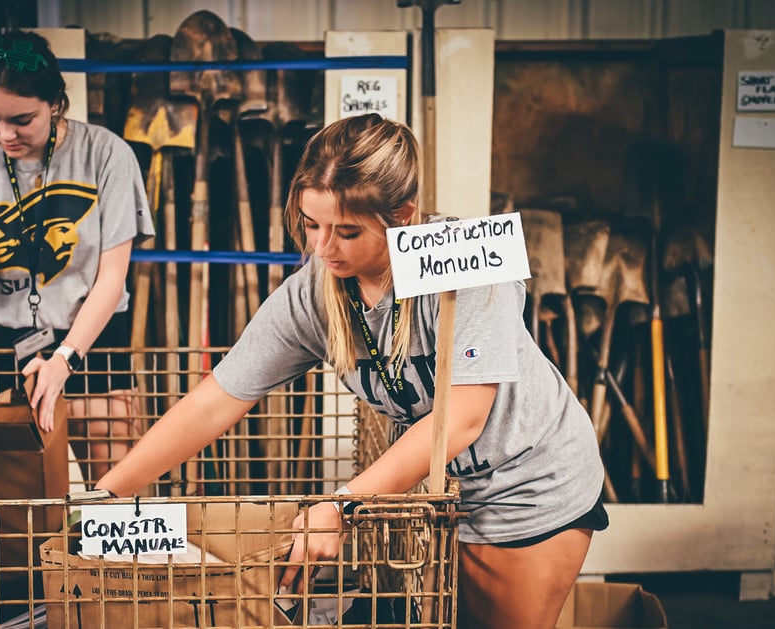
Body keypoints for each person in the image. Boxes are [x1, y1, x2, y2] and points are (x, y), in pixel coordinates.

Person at [96, 113, 607, 628]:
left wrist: (339, 507)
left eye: (346, 231)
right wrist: (106, 495)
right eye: (311, 224)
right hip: (441, 493)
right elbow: (218, 398)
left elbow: (463, 418)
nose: (322, 248)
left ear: (401, 216)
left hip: (530, 478)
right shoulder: (316, 293)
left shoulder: (466, 269)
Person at [0, 30, 154, 482]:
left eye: (22, 119)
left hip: (92, 335)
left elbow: (112, 280)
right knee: (3, 492)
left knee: (115, 486)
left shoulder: (107, 156)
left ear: (55, 103)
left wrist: (65, 358)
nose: (4, 134)